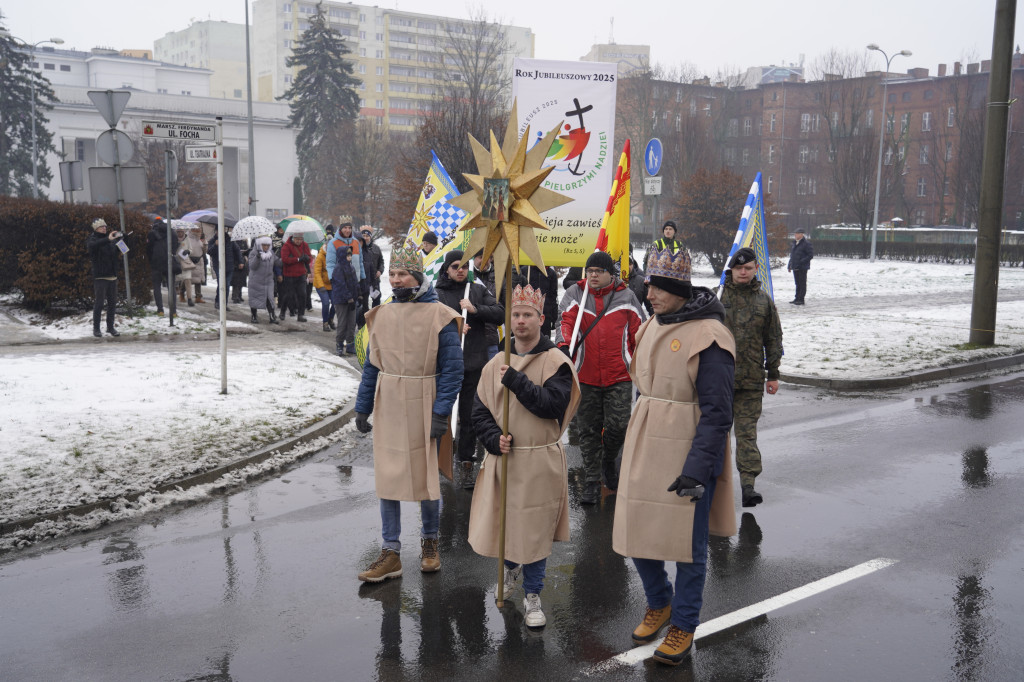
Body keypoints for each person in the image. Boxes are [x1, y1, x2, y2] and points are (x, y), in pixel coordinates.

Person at [612, 243, 737, 667]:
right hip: (646, 443)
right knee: (636, 530)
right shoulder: (651, 324)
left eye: (660, 288)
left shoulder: (711, 337)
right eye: (650, 286)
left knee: (688, 546)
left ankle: (683, 624)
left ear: (680, 289)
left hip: (688, 451)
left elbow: (719, 413)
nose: (650, 295)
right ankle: (659, 600)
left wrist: (698, 469)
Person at [468, 284, 580, 628]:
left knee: (534, 531)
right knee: (507, 525)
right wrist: (491, 438)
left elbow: (551, 407)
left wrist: (517, 381)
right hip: (506, 459)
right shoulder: (497, 361)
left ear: (541, 319)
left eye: (527, 315)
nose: (519, 321)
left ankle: (533, 595)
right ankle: (512, 566)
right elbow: (479, 411)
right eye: (515, 314)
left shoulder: (556, 362)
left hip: (538, 461)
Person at [353, 240, 464, 583]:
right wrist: (362, 407)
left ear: (417, 277)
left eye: (403, 274)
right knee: (389, 478)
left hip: (424, 400)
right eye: (392, 274)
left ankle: (430, 543)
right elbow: (372, 366)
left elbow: (452, 370)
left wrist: (441, 412)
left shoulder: (440, 315)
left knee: (426, 478)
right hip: (389, 402)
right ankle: (391, 552)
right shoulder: (381, 315)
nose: (396, 280)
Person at [556, 250, 644, 504]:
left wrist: (639, 362)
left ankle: (608, 460)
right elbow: (565, 322)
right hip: (586, 374)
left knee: (618, 427)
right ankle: (592, 482)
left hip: (619, 376)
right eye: (590, 271)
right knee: (588, 431)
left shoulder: (627, 297)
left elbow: (640, 331)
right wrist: (563, 345)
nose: (593, 275)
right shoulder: (575, 294)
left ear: (610, 274)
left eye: (598, 272)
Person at [434, 250, 504, 488]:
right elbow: (428, 324)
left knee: (469, 414)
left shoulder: (476, 290)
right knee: (442, 412)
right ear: (447, 269)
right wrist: (452, 328)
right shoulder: (437, 294)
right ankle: (439, 458)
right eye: (455, 266)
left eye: (464, 266)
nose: (460, 270)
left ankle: (465, 459)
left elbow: (500, 313)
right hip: (445, 366)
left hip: (474, 363)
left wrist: (475, 310)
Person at [721, 247, 783, 507]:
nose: (743, 272)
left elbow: (773, 338)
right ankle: (711, 486)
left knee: (746, 435)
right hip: (719, 380)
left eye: (748, 268)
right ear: (731, 270)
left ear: (755, 269)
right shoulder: (718, 298)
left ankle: (748, 486)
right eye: (738, 268)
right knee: (714, 435)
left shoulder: (764, 301)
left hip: (750, 380)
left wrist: (774, 374)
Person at [86, 218, 121, 337]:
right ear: (96, 229)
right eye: (102, 227)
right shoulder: (93, 240)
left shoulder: (110, 241)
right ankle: (96, 329)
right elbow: (93, 246)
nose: (104, 228)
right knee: (99, 304)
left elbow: (124, 251)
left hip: (112, 276)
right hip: (100, 277)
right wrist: (108, 239)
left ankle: (110, 328)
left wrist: (124, 239)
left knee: (112, 304)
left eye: (105, 226)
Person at [330, 245, 359, 357]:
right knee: (342, 323)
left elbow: (354, 282)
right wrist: (349, 298)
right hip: (341, 300)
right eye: (347, 255)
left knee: (352, 323)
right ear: (342, 255)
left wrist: (358, 294)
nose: (349, 257)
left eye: (350, 254)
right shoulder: (338, 268)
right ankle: (339, 345)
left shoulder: (350, 267)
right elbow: (341, 285)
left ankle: (350, 345)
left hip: (351, 299)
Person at [146, 219, 178, 317]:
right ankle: (173, 312)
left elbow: (148, 249)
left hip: (156, 263)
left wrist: (151, 260)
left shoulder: (151, 233)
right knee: (171, 287)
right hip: (169, 262)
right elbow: (175, 246)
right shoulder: (172, 232)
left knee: (156, 287)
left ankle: (160, 310)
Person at [517, 264, 559, 337]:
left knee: (544, 340)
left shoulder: (551, 273)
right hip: (528, 313)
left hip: (546, 314)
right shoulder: (525, 270)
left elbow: (553, 296)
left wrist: (554, 317)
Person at [247, 236, 280, 324]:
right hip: (256, 281)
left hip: (268, 281)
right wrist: (258, 257)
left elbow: (278, 262)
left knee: (270, 298)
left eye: (268, 245)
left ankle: (272, 316)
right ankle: (254, 316)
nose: (266, 247)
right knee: (254, 298)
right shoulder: (253, 253)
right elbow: (252, 266)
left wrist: (283, 258)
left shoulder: (271, 253)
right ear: (259, 245)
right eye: (264, 245)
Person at [280, 232, 312, 321]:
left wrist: (307, 258)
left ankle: (301, 315)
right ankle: (282, 311)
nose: (299, 241)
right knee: (289, 294)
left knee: (303, 294)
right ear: (293, 238)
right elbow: (285, 259)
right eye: (297, 239)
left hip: (301, 274)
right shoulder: (286, 246)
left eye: (300, 239)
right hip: (289, 274)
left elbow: (309, 258)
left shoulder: (304, 245)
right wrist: (298, 259)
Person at [312, 243, 335, 332]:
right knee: (325, 302)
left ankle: (331, 319)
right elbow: (317, 272)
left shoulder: (335, 255)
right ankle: (325, 322)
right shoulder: (320, 256)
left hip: (332, 284)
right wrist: (321, 286)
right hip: (321, 284)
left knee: (336, 302)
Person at [360, 226, 384, 310]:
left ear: (370, 237)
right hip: (364, 279)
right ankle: (363, 320)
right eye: (364, 236)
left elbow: (381, 261)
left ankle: (375, 317)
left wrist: (380, 271)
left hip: (375, 279)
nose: (365, 238)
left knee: (377, 299)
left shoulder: (376, 248)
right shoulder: (359, 248)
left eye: (367, 236)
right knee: (364, 302)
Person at [787, 227, 813, 305]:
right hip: (795, 266)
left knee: (802, 283)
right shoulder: (794, 243)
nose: (795, 235)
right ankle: (797, 298)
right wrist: (790, 265)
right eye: (795, 233)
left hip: (802, 267)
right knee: (797, 283)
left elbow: (810, 255)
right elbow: (792, 255)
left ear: (802, 234)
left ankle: (801, 299)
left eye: (797, 233)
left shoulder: (806, 244)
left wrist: (801, 262)